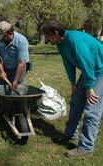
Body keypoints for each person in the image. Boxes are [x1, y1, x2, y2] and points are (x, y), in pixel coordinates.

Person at [41, 19, 103, 158]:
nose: (46, 39)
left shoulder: (75, 41)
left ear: (56, 33)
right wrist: (73, 83)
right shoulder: (60, 44)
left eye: (47, 36)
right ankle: (70, 135)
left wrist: (89, 88)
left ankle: (86, 147)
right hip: (90, 71)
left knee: (92, 108)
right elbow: (68, 63)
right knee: (75, 101)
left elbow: (87, 64)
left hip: (100, 71)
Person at [0, 21, 30, 89]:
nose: (2, 39)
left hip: (19, 67)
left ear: (10, 32)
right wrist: (2, 71)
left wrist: (16, 80)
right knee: (1, 88)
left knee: (16, 88)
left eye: (4, 36)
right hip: (6, 66)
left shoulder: (21, 41)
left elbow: (22, 63)